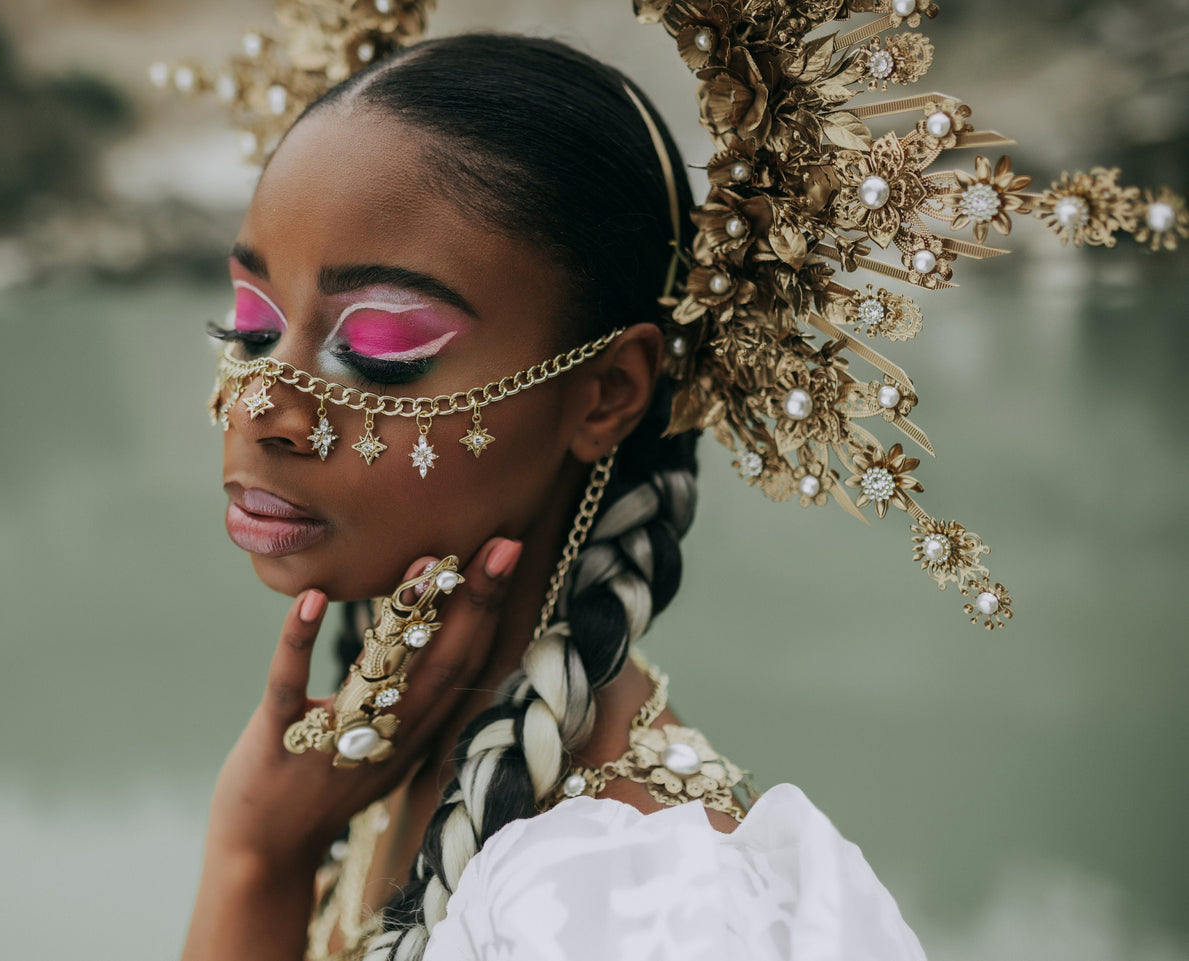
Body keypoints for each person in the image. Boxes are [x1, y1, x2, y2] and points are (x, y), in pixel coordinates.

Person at [178, 32, 932, 961]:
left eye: (379, 346)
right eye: (250, 326)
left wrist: (251, 860)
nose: (265, 409)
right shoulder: (380, 768)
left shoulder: (627, 904)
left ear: (606, 392)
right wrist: (260, 851)